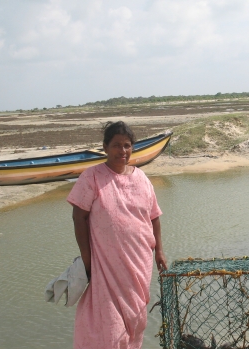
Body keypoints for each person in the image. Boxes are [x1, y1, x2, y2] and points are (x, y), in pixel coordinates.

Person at [67, 121, 168, 349]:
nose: (122, 151)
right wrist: (87, 258)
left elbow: (154, 217)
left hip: (139, 263)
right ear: (105, 147)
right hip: (106, 265)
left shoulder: (141, 178)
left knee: (136, 320)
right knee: (108, 327)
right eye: (116, 145)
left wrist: (159, 251)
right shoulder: (91, 177)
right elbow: (78, 217)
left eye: (127, 145)